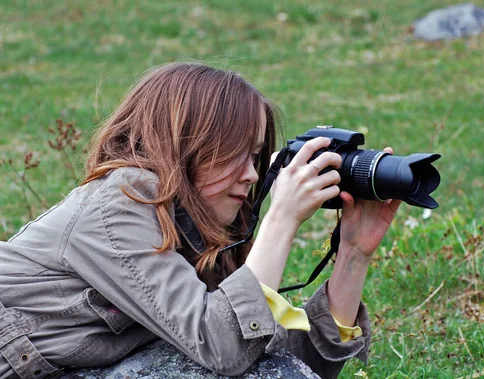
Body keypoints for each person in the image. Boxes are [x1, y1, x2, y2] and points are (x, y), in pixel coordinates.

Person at [0, 62, 401, 379]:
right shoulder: (122, 201)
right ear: (183, 146)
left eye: (256, 156)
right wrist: (280, 219)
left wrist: (353, 252)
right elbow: (223, 345)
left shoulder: (195, 228)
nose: (252, 174)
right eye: (235, 154)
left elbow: (280, 362)